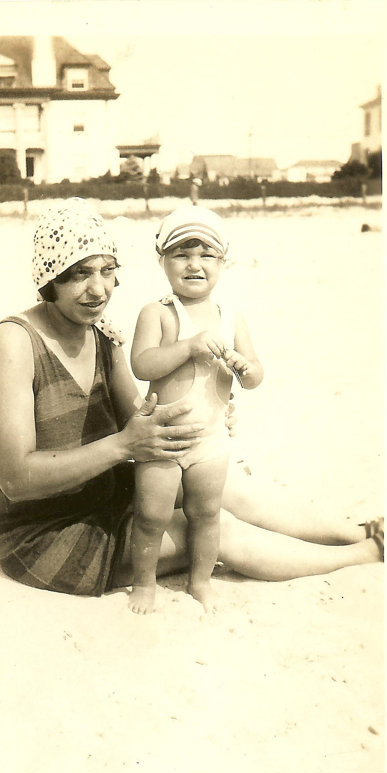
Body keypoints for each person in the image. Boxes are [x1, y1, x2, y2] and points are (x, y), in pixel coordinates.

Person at [0, 197, 383, 604]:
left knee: (220, 490)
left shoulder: (101, 335)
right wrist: (123, 445)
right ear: (50, 277)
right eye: (79, 274)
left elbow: (143, 419)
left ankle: (359, 531)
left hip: (103, 494)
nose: (97, 289)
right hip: (47, 537)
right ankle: (365, 554)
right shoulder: (14, 342)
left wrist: (198, 411)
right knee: (214, 530)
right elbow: (15, 480)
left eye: (106, 271)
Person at [128, 206, 263, 614]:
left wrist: (244, 367)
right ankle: (144, 585)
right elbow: (142, 364)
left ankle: (200, 581)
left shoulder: (229, 316)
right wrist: (187, 346)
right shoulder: (159, 313)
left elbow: (256, 373)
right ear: (163, 261)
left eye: (206, 255)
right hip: (163, 438)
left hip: (210, 438)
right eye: (182, 255)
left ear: (222, 262)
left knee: (206, 514)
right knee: (151, 516)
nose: (194, 265)